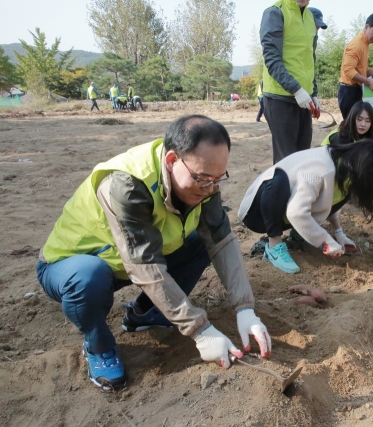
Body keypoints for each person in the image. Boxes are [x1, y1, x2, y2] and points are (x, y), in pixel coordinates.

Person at [37, 116, 271, 391]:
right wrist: (200, 330)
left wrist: (245, 308)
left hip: (132, 262)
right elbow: (143, 264)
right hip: (73, 266)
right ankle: (98, 346)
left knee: (198, 241)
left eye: (218, 179)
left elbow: (221, 239)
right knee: (89, 278)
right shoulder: (125, 183)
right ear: (172, 160)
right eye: (202, 179)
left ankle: (145, 314)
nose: (209, 188)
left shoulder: (204, 178)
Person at [238, 141, 373, 274]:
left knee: (345, 193)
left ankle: (299, 236)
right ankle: (274, 246)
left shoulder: (343, 167)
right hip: (256, 212)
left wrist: (339, 234)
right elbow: (296, 213)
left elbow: (329, 200)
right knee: (278, 179)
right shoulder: (322, 170)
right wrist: (326, 240)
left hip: (283, 209)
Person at [260, 0, 324, 164]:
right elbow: (272, 60)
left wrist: (313, 92)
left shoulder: (310, 17)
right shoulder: (275, 13)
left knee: (302, 156)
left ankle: (298, 190)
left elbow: (310, 60)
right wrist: (296, 89)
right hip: (280, 98)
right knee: (286, 161)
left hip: (304, 99)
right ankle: (282, 190)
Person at [321, 101, 373, 179]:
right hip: (325, 178)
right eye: (359, 119)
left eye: (368, 121)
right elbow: (350, 166)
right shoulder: (340, 137)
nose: (363, 124)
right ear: (352, 118)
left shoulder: (367, 136)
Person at [338, 13, 373, 120]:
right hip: (348, 91)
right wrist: (369, 82)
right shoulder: (356, 44)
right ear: (366, 27)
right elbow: (348, 70)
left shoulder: (365, 44)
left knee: (356, 128)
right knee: (351, 128)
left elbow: (363, 68)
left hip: (355, 90)